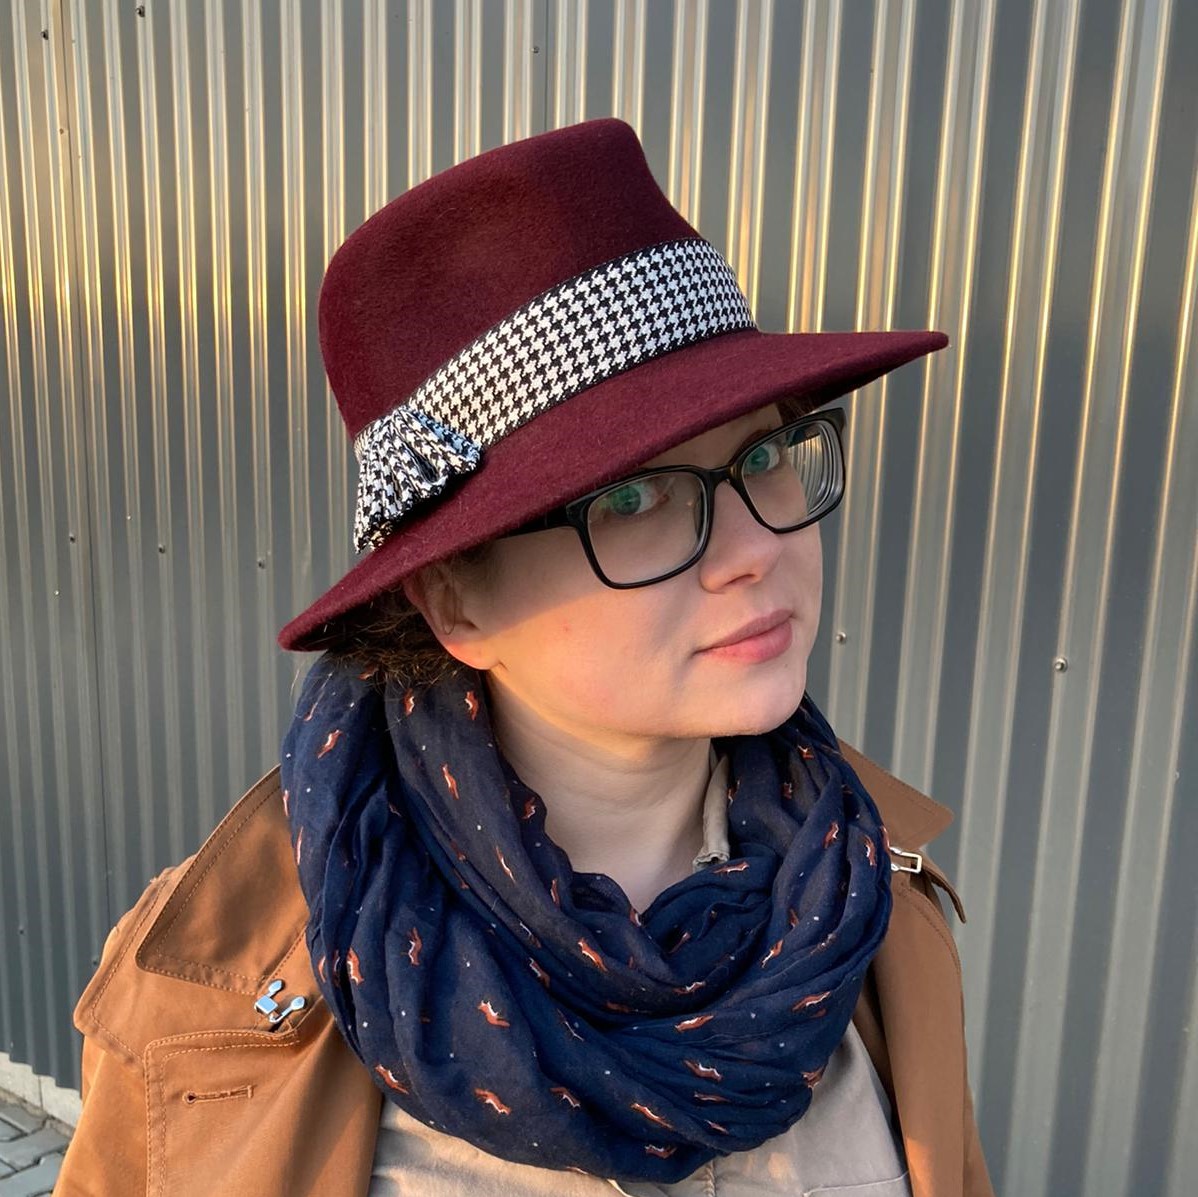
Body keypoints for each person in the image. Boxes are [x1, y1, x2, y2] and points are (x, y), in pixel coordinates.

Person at [56, 117, 993, 1196]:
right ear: (456, 604)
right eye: (632, 497)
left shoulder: (873, 902)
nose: (756, 548)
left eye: (766, 453)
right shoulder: (206, 996)